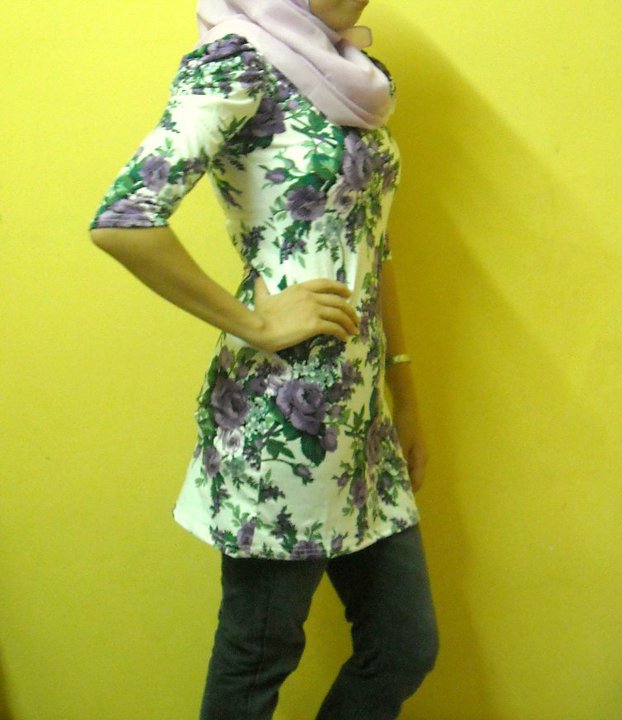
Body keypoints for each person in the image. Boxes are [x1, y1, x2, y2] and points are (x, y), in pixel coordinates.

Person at [89, 0, 439, 717]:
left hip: (364, 425)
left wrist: (403, 393)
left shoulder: (357, 77)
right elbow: (124, 220)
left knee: (403, 645)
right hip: (282, 422)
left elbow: (375, 243)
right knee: (258, 663)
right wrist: (253, 322)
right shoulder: (238, 60)